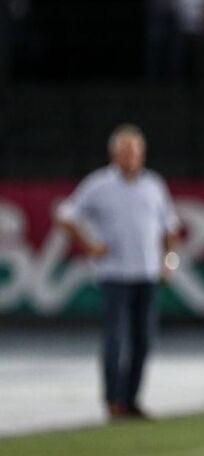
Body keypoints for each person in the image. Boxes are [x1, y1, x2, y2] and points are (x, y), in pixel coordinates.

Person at [56, 124, 181, 420]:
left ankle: (131, 399)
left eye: (135, 152)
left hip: (147, 274)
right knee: (115, 339)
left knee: (144, 341)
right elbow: (66, 215)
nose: (131, 157)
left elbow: (170, 227)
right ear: (114, 154)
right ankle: (113, 400)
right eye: (125, 152)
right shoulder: (99, 185)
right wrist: (90, 245)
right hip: (114, 275)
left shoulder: (153, 185)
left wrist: (170, 261)